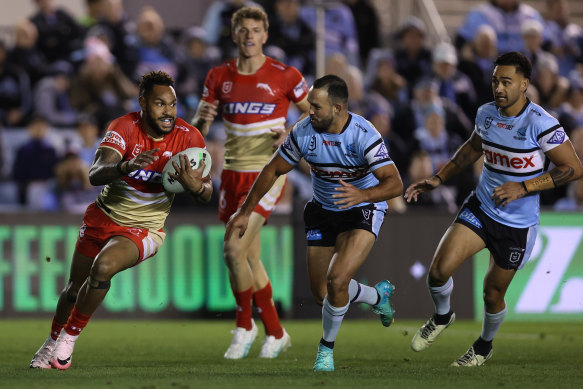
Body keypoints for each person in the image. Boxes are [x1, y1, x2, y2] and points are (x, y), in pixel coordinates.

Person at [405, 52, 583, 367]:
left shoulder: (541, 124)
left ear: (524, 84)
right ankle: (443, 316)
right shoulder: (487, 113)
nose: (498, 88)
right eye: (495, 81)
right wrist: (438, 177)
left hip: (518, 224)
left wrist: (524, 187)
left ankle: (484, 346)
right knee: (437, 272)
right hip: (483, 206)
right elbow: (474, 147)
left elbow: (572, 168)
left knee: (491, 294)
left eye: (506, 82)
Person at [29, 71, 212, 370]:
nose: (168, 111)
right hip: (103, 216)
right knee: (74, 288)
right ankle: (50, 343)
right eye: (160, 104)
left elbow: (207, 192)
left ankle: (69, 338)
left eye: (173, 104)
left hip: (145, 228)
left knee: (103, 267)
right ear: (142, 102)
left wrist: (196, 187)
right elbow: (95, 172)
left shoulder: (190, 137)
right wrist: (125, 166)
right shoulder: (124, 127)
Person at [225, 74, 403, 371]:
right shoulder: (304, 132)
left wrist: (363, 194)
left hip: (362, 208)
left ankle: (325, 351)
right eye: (310, 105)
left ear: (337, 108)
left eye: (316, 107)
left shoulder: (364, 134)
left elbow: (395, 183)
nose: (309, 111)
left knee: (337, 280)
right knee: (322, 292)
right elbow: (273, 170)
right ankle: (376, 295)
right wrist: (245, 211)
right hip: (322, 210)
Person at [191, 6, 310, 360]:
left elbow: (315, 115)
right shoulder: (217, 76)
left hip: (268, 175)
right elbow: (197, 129)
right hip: (231, 174)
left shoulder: (285, 75)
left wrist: (290, 133)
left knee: (232, 250)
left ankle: (245, 325)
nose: (249, 36)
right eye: (243, 30)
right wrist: (201, 118)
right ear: (234, 34)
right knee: (250, 258)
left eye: (256, 30)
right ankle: (276, 331)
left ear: (265, 35)